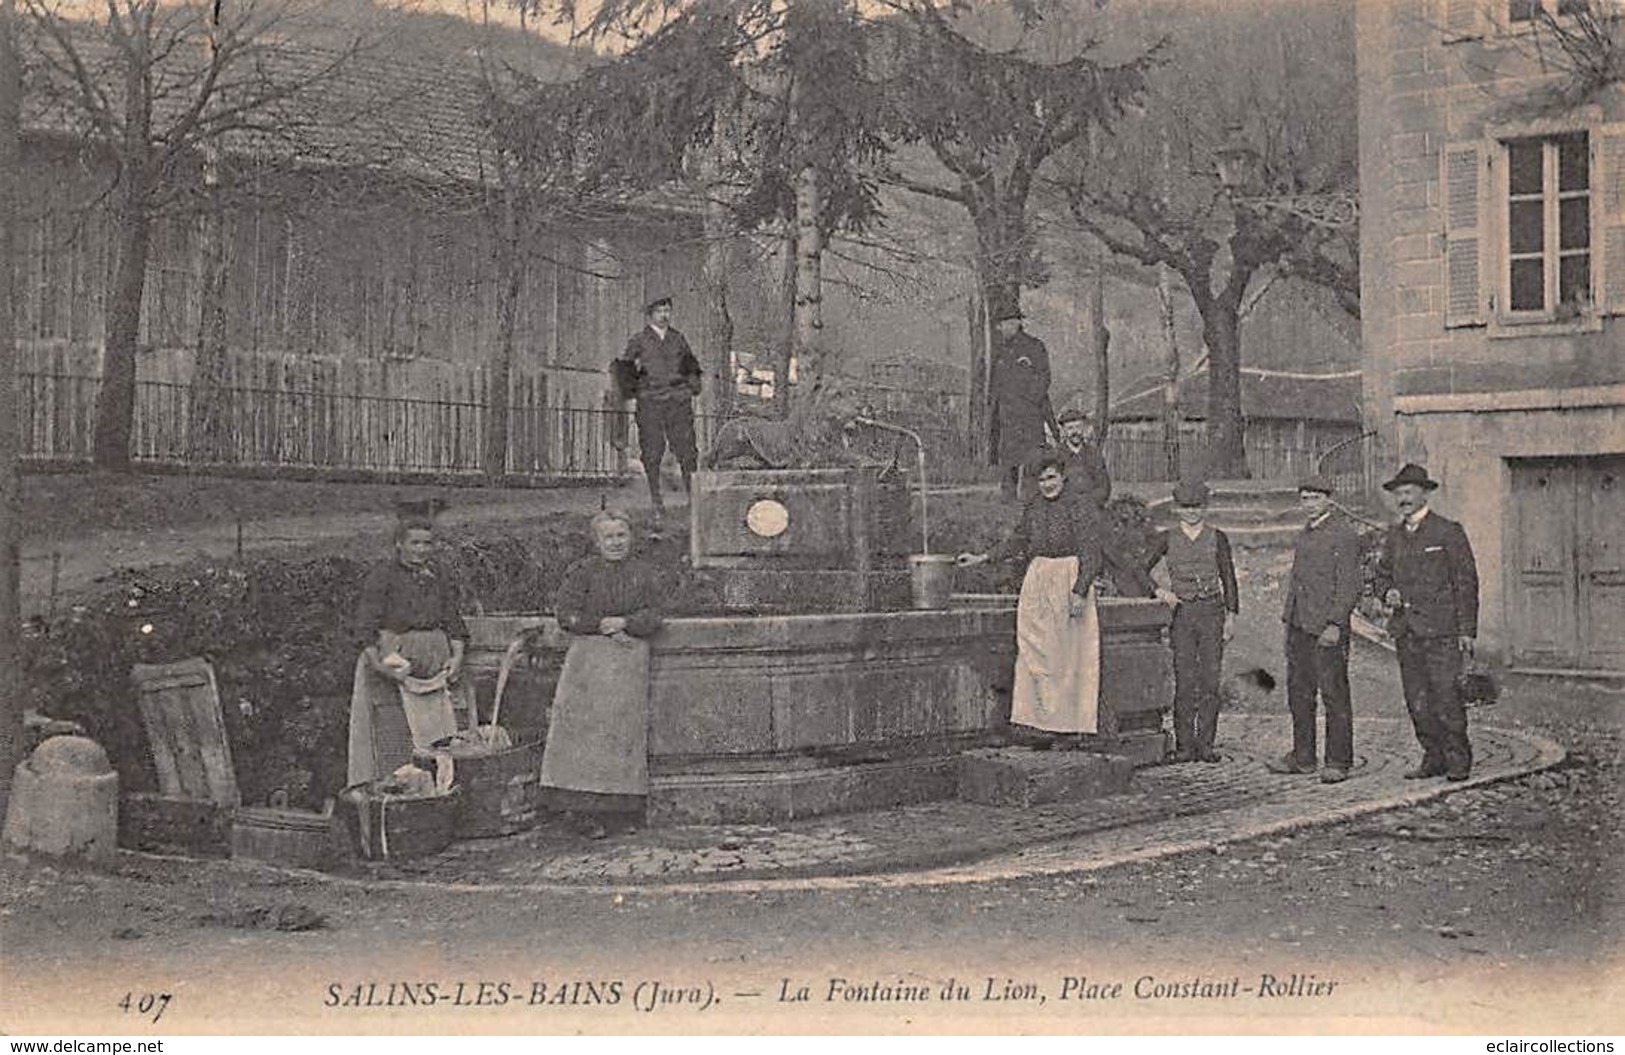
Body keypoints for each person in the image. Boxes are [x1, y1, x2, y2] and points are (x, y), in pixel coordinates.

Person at [957, 454, 1104, 749]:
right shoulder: (1034, 507)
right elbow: (1017, 540)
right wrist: (982, 557)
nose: (1047, 484)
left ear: (1063, 477)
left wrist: (1079, 590)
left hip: (1068, 576)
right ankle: (1038, 723)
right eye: (1041, 480)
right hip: (1038, 578)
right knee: (1035, 649)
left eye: (1051, 477)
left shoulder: (1080, 505)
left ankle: (1069, 727)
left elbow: (1092, 550)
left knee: (1068, 654)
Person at [539, 508, 669, 838]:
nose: (615, 543)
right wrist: (598, 624)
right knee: (583, 733)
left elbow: (656, 612)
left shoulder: (645, 573)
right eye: (608, 537)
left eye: (621, 535)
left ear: (631, 537)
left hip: (628, 661)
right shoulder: (582, 573)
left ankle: (621, 810)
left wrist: (627, 622)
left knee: (622, 734)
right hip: (589, 660)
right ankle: (581, 811)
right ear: (597, 541)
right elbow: (565, 612)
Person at [348, 500, 471, 787]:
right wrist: (381, 666)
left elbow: (453, 621)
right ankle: (398, 789)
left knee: (439, 736)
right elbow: (365, 628)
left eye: (427, 544)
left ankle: (436, 788)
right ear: (399, 544)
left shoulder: (439, 576)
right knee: (397, 732)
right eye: (414, 543)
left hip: (435, 668)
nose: (421, 550)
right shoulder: (382, 577)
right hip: (396, 665)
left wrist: (457, 657)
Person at [1372, 463, 1479, 782]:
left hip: (1442, 631)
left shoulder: (1448, 531)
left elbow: (1466, 582)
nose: (1402, 499)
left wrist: (1467, 630)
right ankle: (1433, 757)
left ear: (1424, 494)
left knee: (1446, 695)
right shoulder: (1394, 536)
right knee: (1416, 698)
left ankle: (1458, 758)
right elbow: (1381, 575)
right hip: (1407, 632)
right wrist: (1386, 591)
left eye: (1408, 492)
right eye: (1398, 494)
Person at [1269, 474, 1363, 783]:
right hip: (1299, 625)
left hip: (1326, 628)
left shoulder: (1343, 534)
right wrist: (1289, 621)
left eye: (1316, 498)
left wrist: (1336, 623)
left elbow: (1349, 584)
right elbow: (1298, 582)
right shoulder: (1306, 533)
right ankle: (1303, 756)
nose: (1310, 504)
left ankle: (1338, 760)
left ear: (1329, 499)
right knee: (1299, 693)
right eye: (1305, 498)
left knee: (1334, 695)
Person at [1150, 479, 1239, 763]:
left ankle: (1206, 745)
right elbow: (1138, 568)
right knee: (1185, 679)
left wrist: (1231, 618)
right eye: (1186, 507)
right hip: (1183, 614)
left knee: (1210, 680)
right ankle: (1185, 745)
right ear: (1177, 509)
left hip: (1212, 612)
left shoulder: (1218, 537)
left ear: (1205, 507)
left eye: (1197, 507)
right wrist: (1160, 591)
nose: (1192, 513)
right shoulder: (1166, 538)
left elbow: (1229, 578)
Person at [618, 296, 703, 533]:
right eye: (659, 311)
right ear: (650, 315)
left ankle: (692, 501)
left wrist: (691, 387)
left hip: (677, 403)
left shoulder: (678, 339)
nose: (664, 315)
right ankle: (657, 501)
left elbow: (691, 367)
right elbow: (625, 369)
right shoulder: (640, 340)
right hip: (651, 404)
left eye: (667, 310)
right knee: (652, 451)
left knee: (687, 451)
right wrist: (637, 392)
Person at [989, 303, 1058, 501]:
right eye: (999, 325)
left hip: (1030, 416)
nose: (1000, 329)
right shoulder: (1001, 353)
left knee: (1032, 461)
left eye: (1004, 323)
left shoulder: (1035, 347)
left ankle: (1033, 502)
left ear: (1016, 323)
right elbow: (996, 388)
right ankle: (1008, 501)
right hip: (1007, 418)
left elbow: (1044, 378)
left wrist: (1028, 401)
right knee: (1008, 461)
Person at [1052, 407, 1112, 511]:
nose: (1075, 432)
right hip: (1064, 511)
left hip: (1091, 509)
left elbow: (1104, 486)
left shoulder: (1094, 454)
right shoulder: (1056, 455)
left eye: (1078, 427)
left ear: (1084, 428)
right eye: (1070, 428)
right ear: (1063, 430)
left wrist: (1090, 503)